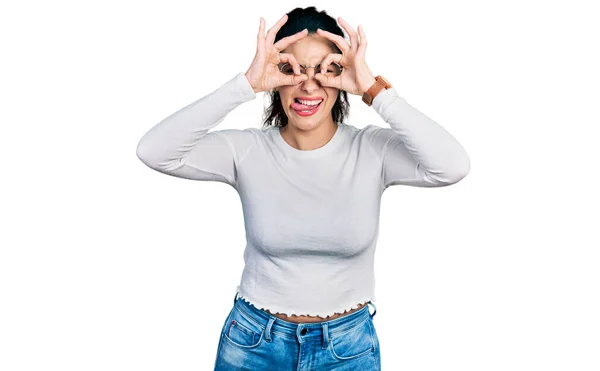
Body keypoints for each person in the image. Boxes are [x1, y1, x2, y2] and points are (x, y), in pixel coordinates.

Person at [136, 6, 470, 371]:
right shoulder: (246, 150)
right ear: (273, 76)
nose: (308, 84)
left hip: (348, 348)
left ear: (344, 75)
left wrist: (373, 88)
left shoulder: (373, 150)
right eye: (289, 69)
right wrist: (245, 84)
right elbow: (155, 151)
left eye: (327, 70)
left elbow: (452, 166)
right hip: (253, 344)